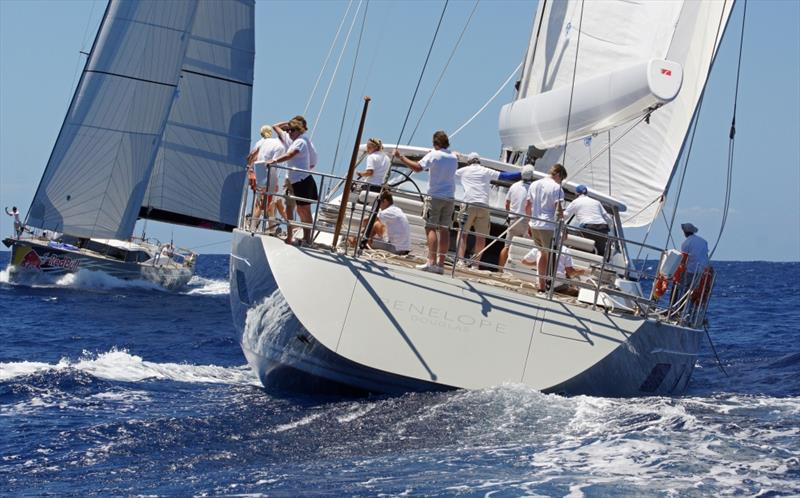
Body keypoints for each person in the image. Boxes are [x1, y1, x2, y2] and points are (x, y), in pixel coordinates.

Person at [394, 130, 457, 274]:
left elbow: (417, 168)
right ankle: (441, 265)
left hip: (435, 196)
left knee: (430, 228)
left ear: (435, 143)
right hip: (450, 197)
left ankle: (431, 261)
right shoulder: (453, 157)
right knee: (445, 230)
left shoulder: (433, 154)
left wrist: (401, 157)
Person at [455, 152, 521, 267]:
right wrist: (522, 174)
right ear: (478, 161)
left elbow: (448, 171)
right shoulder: (485, 170)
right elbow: (505, 176)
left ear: (469, 162)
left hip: (468, 204)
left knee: (462, 233)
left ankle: (460, 261)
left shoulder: (463, 171)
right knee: (481, 237)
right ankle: (475, 264)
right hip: (483, 205)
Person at [267, 118, 318, 245]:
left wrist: (274, 161)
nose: (288, 132)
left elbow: (290, 155)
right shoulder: (292, 139)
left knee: (304, 210)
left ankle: (307, 238)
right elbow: (275, 126)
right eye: (288, 130)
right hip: (292, 181)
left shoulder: (301, 141)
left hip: (302, 180)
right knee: (292, 208)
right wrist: (289, 123)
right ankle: (291, 236)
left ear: (298, 130)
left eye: (291, 130)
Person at [525, 163, 568, 291]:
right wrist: (564, 228)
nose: (561, 182)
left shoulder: (534, 184)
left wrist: (529, 222)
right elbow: (558, 210)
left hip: (534, 224)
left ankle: (542, 285)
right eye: (562, 179)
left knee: (542, 254)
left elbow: (527, 206)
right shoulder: (557, 188)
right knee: (550, 256)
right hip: (547, 225)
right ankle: (548, 285)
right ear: (559, 175)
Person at [247, 125, 287, 233]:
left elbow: (253, 156)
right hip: (268, 177)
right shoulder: (280, 147)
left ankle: (263, 228)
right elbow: (273, 163)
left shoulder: (266, 142)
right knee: (267, 204)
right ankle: (268, 229)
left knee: (261, 203)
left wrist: (251, 170)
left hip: (259, 174)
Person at [498, 164, 535, 268]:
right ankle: (517, 271)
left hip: (513, 220)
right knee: (524, 249)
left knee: (507, 246)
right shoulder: (533, 188)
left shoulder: (514, 186)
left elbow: (507, 204)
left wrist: (510, 213)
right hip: (526, 221)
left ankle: (500, 270)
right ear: (532, 175)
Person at [563, 184, 613, 256]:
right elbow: (607, 217)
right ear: (586, 193)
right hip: (603, 228)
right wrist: (609, 228)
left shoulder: (575, 202)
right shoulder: (596, 202)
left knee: (583, 248)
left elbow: (565, 215)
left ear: (576, 193)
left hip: (588, 227)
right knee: (600, 252)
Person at [520, 246, 586, 296]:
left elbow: (524, 261)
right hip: (558, 286)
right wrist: (582, 272)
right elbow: (570, 272)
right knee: (577, 291)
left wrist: (538, 263)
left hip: (541, 284)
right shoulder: (564, 250)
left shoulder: (539, 247)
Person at [678, 222, 709, 295]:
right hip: (703, 270)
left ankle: (682, 301)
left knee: (686, 288)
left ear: (685, 232)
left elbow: (683, 260)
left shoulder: (685, 243)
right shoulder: (703, 241)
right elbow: (706, 255)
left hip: (692, 271)